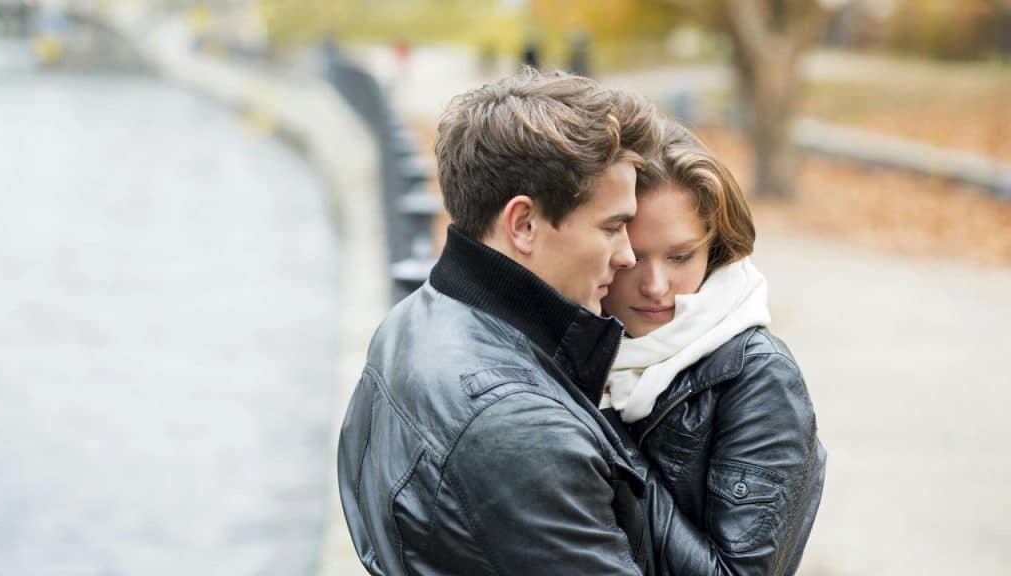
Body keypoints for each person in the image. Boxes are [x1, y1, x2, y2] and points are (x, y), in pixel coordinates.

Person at [337, 70, 666, 574]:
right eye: (613, 226)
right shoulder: (518, 428)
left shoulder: (411, 319)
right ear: (524, 224)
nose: (626, 255)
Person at [601, 120, 826, 575]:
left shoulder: (760, 377)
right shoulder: (579, 340)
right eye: (634, 256)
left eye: (680, 257)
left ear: (716, 249)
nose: (655, 286)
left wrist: (603, 439)